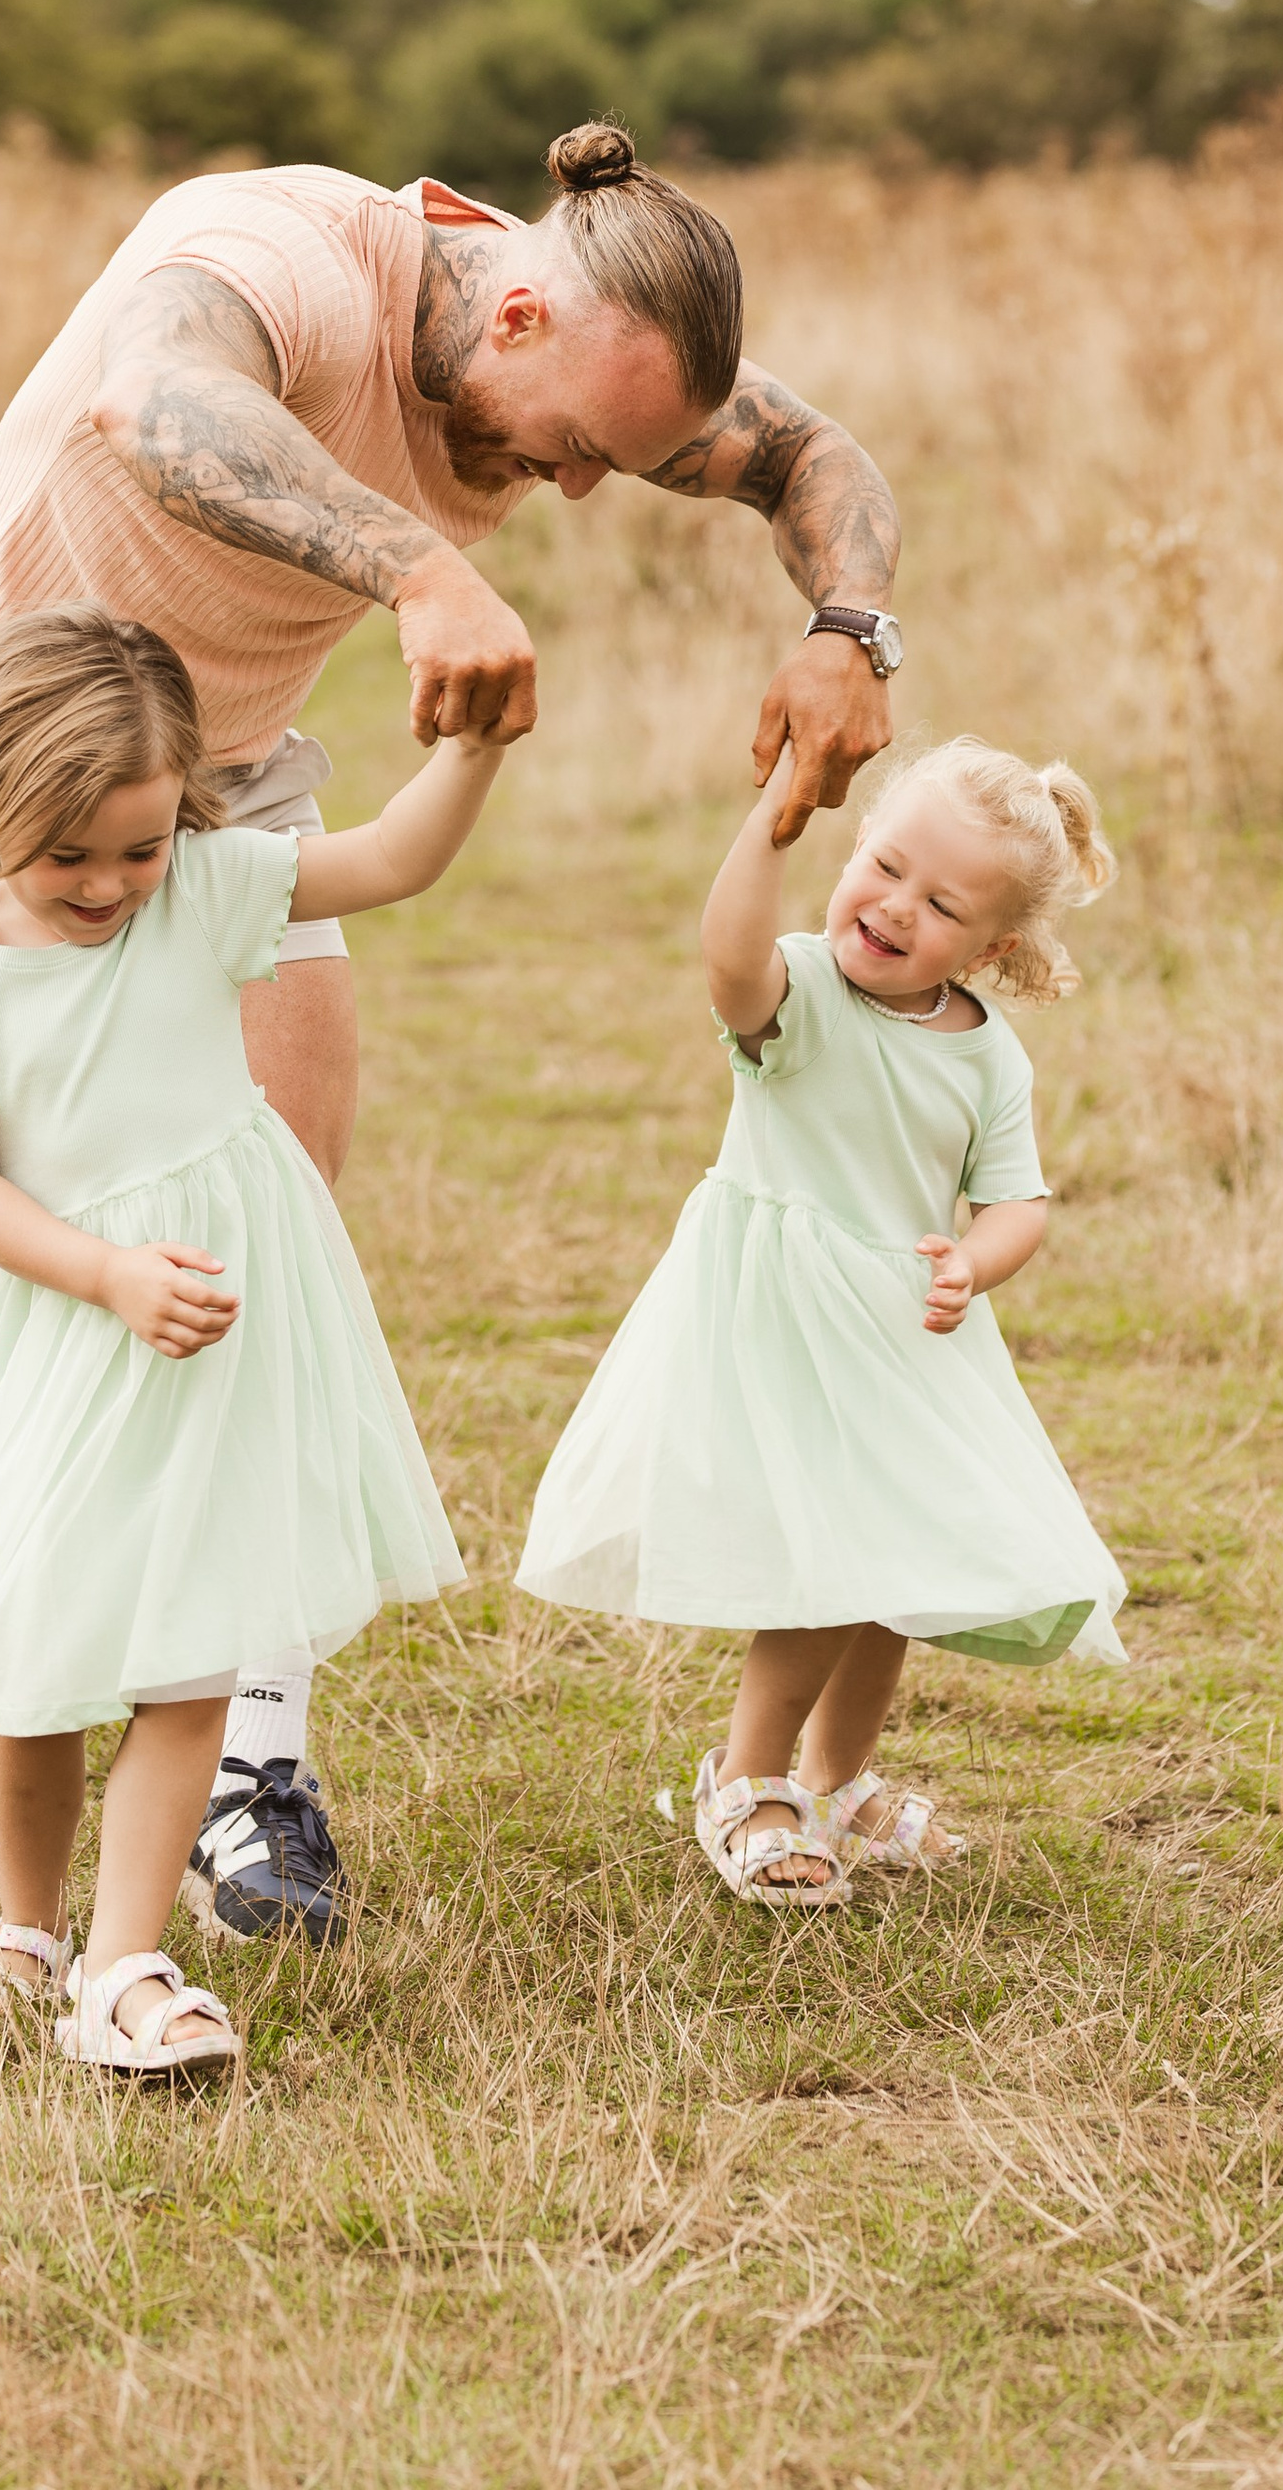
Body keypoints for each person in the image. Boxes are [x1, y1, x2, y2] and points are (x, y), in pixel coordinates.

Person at [0, 121, 905, 1922]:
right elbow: (157, 399)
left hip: (210, 791)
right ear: (516, 310)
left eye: (613, 467)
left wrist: (851, 626)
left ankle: (255, 1758)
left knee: (266, 1241)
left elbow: (814, 455)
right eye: (569, 445)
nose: (573, 489)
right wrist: (419, 569)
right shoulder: (287, 254)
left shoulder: (593, 354)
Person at [0, 604, 499, 2075]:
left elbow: (390, 859)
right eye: (69, 855)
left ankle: (123, 1964)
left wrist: (474, 754)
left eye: (142, 845)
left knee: (192, 1653)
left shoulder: (206, 894)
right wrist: (105, 1272)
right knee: (41, 1659)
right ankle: (27, 1930)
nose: (111, 884)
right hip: (59, 1328)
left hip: (211, 1328)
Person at [515, 736, 1128, 1904]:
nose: (894, 908)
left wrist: (974, 1262)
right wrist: (772, 823)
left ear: (991, 950)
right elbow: (727, 958)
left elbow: (1017, 1200)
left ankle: (837, 1782)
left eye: (940, 905)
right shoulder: (802, 995)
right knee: (830, 1568)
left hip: (899, 1334)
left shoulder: (986, 1056)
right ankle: (747, 1782)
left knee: (898, 1561)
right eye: (885, 868)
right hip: (784, 1323)